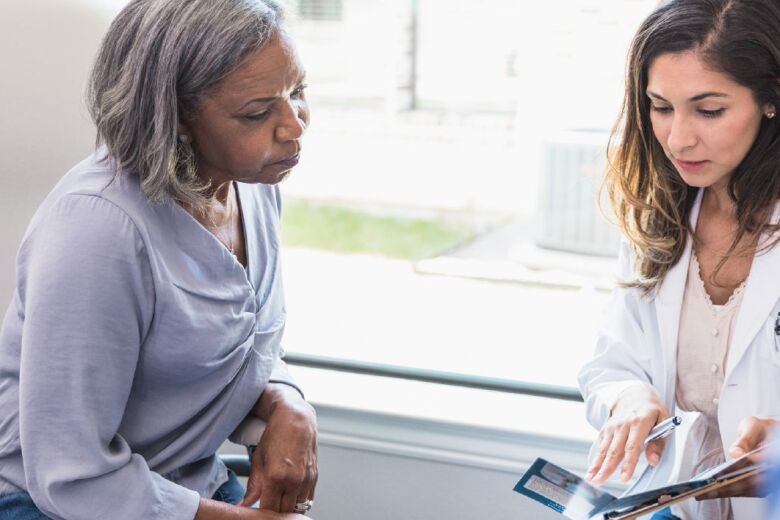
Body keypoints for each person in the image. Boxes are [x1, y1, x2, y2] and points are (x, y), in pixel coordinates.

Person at [0, 0, 318, 518]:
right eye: (258, 112)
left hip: (183, 480)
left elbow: (235, 343)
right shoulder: (98, 228)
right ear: (177, 119)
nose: (294, 127)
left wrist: (289, 402)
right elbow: (70, 475)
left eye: (297, 92)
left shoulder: (252, 185)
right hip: (47, 502)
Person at [577, 0, 780, 518]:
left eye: (709, 110)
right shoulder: (659, 216)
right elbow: (611, 363)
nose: (677, 137)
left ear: (771, 99)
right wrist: (629, 397)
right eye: (661, 106)